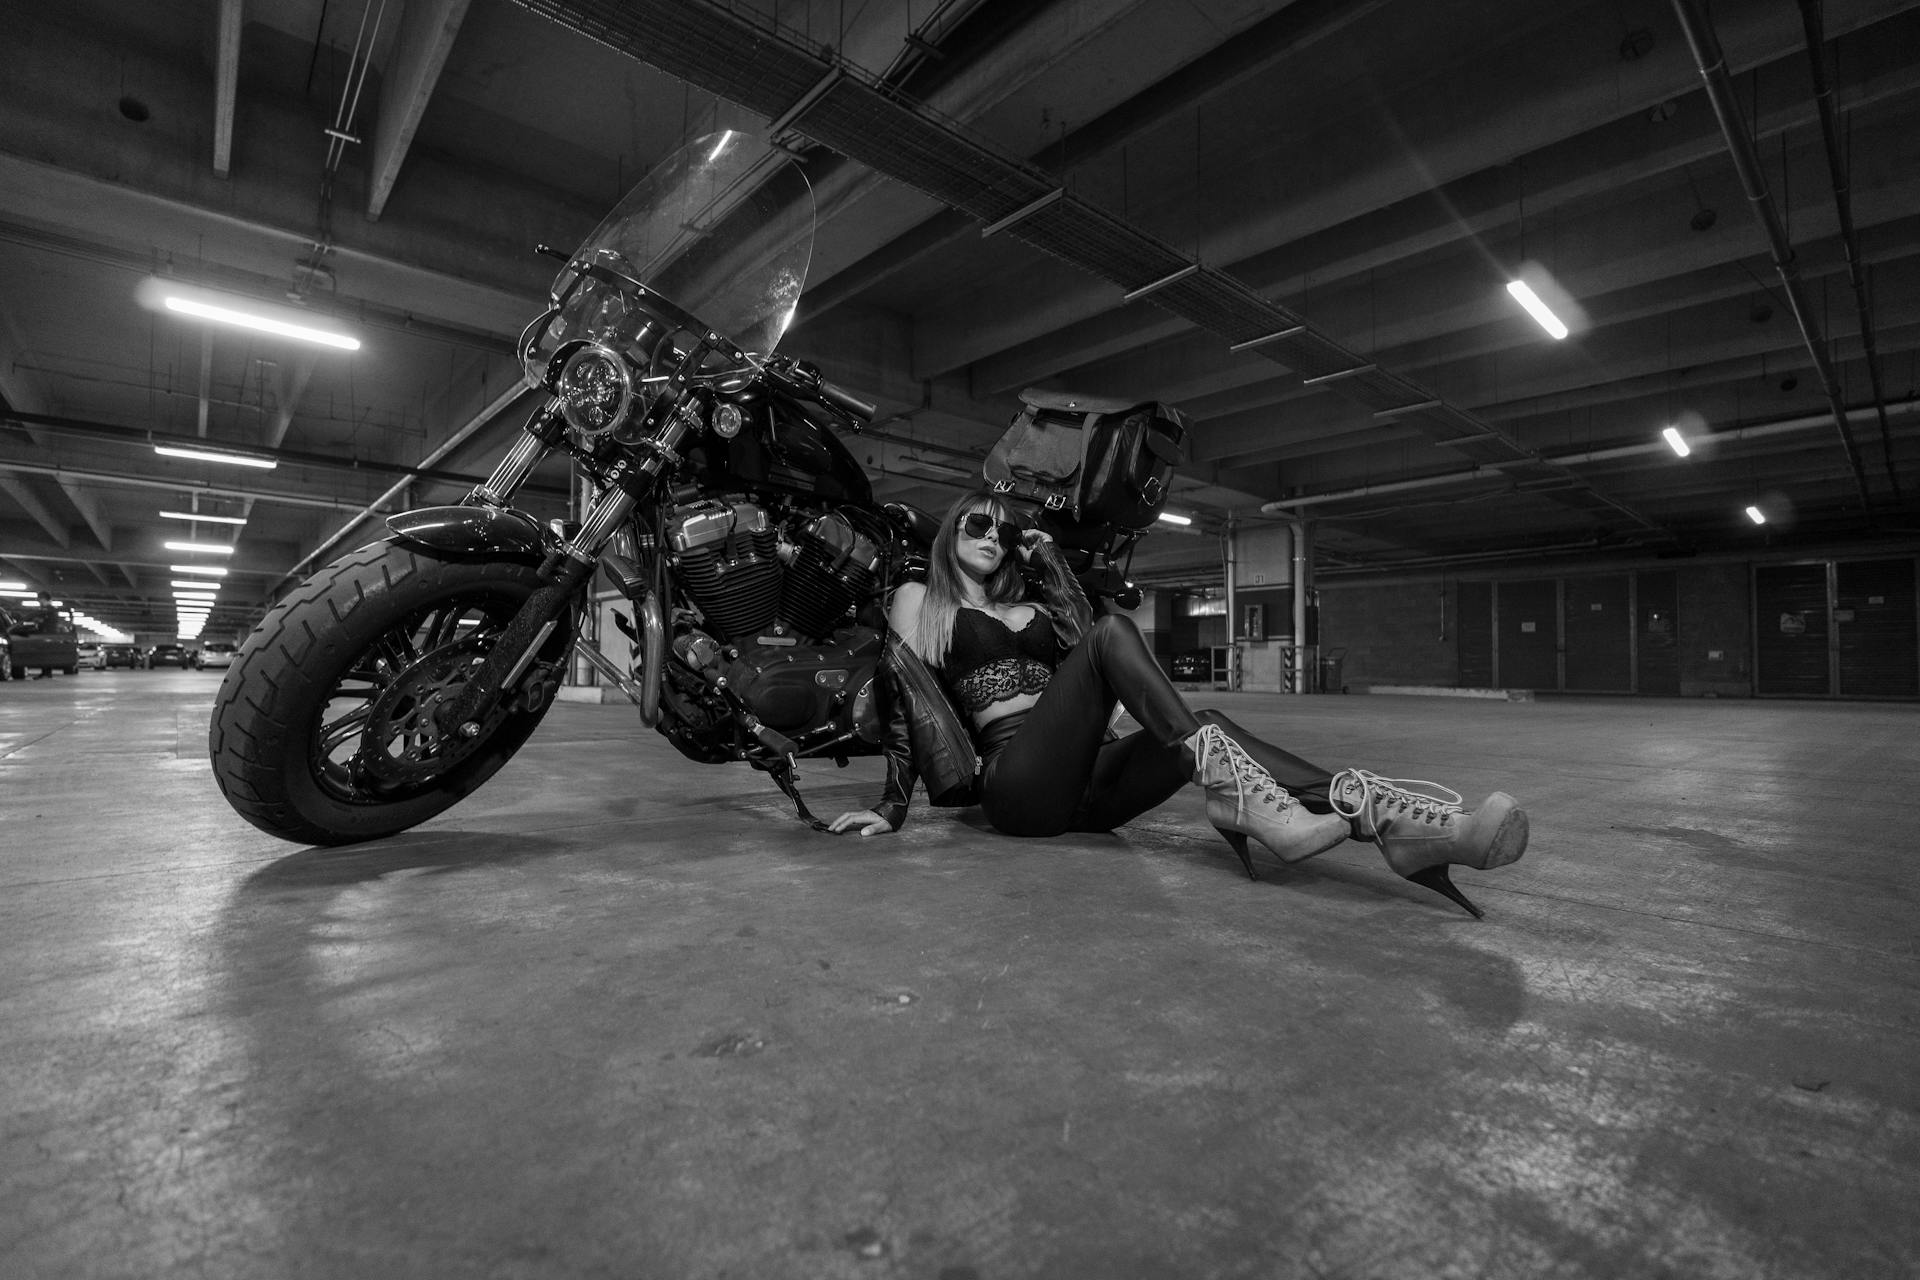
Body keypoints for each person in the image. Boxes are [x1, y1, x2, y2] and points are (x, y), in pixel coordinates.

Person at [828, 490, 1531, 917]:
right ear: (950, 533)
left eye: (1002, 531)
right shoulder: (922, 601)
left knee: (1212, 721)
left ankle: (1400, 824)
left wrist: (1048, 564)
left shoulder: (1032, 600)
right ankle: (1250, 802)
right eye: (974, 526)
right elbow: (902, 697)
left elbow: (1082, 643)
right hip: (1017, 788)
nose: (990, 538)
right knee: (1118, 638)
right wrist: (893, 806)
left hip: (1090, 788)